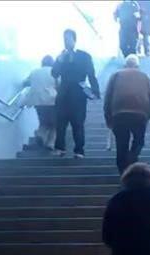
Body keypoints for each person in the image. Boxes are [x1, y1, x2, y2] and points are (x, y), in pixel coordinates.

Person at [104, 55, 150, 174]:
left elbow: (107, 97)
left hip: (119, 114)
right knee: (139, 140)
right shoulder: (145, 77)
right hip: (140, 113)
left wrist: (108, 117)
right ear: (138, 66)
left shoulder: (115, 76)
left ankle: (123, 172)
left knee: (121, 143)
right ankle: (132, 158)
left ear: (125, 65)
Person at [51, 29, 101, 159]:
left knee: (78, 122)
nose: (66, 42)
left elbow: (91, 74)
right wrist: (59, 61)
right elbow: (54, 73)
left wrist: (95, 91)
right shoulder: (61, 57)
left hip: (78, 93)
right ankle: (60, 148)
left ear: (74, 39)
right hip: (63, 93)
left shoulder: (84, 56)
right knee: (60, 122)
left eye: (68, 39)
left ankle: (79, 150)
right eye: (64, 39)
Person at [21, 55, 58, 150]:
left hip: (37, 101)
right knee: (54, 124)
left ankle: (40, 135)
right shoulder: (54, 72)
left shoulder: (34, 72)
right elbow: (59, 84)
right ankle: (50, 143)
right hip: (51, 100)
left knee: (43, 122)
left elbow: (25, 82)